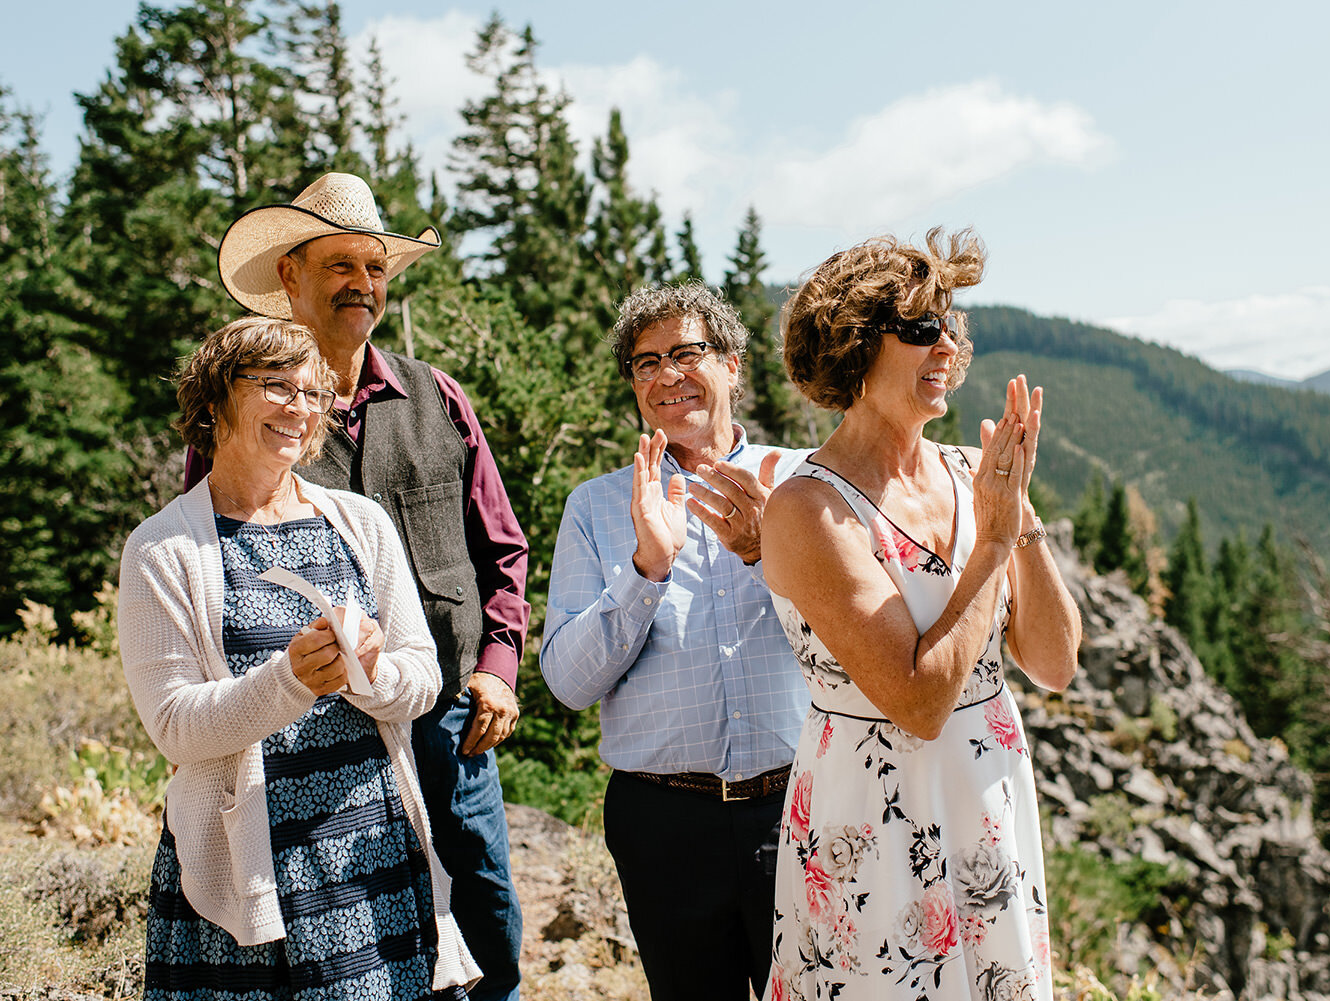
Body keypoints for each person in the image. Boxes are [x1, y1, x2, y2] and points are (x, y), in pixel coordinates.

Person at [196, 173, 529, 1001]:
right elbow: (207, 559)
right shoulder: (246, 415)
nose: (362, 283)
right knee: (348, 936)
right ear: (290, 278)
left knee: (485, 912)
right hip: (312, 737)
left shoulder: (437, 398)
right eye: (340, 263)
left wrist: (499, 665)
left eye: (374, 266)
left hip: (449, 718)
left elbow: (504, 550)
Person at [760, 230, 1082, 1000]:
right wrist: (994, 539)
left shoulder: (974, 473)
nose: (947, 343)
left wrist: (1019, 520)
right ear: (855, 348)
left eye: (952, 324)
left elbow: (1055, 663)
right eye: (920, 327)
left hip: (987, 806)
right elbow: (918, 700)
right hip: (875, 823)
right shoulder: (809, 509)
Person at [119, 316, 481, 998]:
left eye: (314, 393)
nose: (301, 407)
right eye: (277, 386)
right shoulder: (163, 548)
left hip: (367, 852)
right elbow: (173, 723)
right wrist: (290, 679)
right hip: (244, 871)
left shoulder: (358, 522)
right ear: (218, 396)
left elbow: (422, 677)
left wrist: (368, 672)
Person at [540, 282, 811, 1000]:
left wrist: (767, 558)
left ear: (733, 364)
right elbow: (567, 683)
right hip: (663, 825)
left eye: (686, 352)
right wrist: (645, 571)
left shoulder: (806, 483)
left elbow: (855, 653)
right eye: (645, 362)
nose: (665, 374)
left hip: (804, 805)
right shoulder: (597, 507)